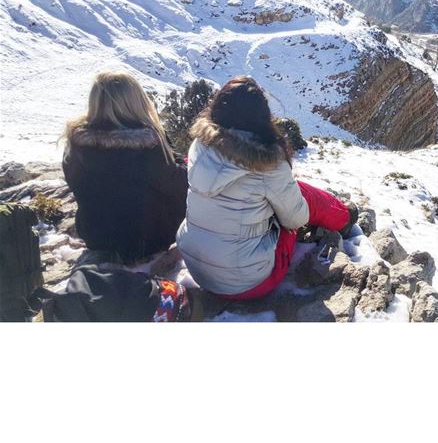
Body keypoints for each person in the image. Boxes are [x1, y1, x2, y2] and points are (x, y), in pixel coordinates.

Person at [177, 75, 357, 300]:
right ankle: (344, 218)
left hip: (197, 268)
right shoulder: (267, 163)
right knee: (300, 195)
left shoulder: (200, 145)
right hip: (248, 282)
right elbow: (296, 220)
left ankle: (340, 215)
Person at [62, 71, 188, 262]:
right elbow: (175, 185)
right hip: (148, 241)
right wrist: (183, 165)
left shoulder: (76, 142)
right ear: (136, 101)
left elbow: (76, 184)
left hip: (96, 237)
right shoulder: (149, 142)